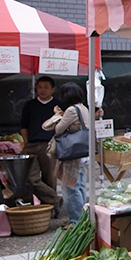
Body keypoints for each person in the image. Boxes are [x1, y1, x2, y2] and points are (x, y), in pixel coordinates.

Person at [19, 76, 63, 215]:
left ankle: (50, 210)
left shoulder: (58, 105)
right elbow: (24, 126)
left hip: (50, 145)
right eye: (39, 87)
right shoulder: (30, 105)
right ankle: (55, 199)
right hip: (31, 145)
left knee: (49, 177)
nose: (42, 90)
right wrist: (26, 143)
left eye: (45, 87)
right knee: (29, 177)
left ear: (52, 89)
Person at [51, 82, 90, 223]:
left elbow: (59, 129)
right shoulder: (83, 108)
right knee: (79, 186)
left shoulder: (72, 110)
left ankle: (77, 221)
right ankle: (83, 218)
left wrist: (58, 116)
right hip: (82, 153)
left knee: (70, 188)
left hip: (73, 155)